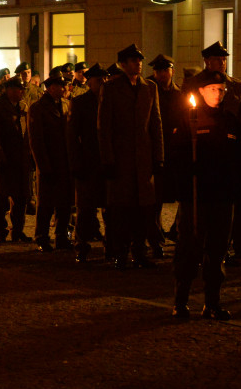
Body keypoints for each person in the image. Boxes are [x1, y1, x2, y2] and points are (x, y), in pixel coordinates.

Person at [171, 70, 241, 320]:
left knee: (217, 251)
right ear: (201, 92)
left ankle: (211, 302)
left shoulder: (230, 120)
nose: (218, 93)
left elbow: (239, 158)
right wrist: (187, 172)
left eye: (221, 89)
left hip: (222, 197)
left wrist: (237, 187)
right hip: (197, 197)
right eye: (213, 89)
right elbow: (178, 157)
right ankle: (180, 301)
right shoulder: (188, 120)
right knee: (189, 249)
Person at [98, 43, 164, 269]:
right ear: (123, 64)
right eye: (134, 60)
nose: (138, 63)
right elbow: (104, 127)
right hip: (121, 159)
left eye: (139, 60)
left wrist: (158, 156)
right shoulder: (112, 87)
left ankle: (140, 251)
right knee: (121, 211)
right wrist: (107, 159)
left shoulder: (149, 88)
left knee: (143, 210)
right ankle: (120, 252)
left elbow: (156, 124)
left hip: (143, 160)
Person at [67, 63, 108, 262]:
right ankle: (81, 245)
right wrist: (76, 164)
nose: (102, 83)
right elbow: (72, 137)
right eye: (99, 80)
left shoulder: (111, 103)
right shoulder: (80, 102)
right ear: (90, 82)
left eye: (104, 80)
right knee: (85, 208)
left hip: (107, 162)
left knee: (111, 208)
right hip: (87, 163)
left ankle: (112, 245)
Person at [28, 75, 73, 252]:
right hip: (48, 161)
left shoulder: (66, 105)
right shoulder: (37, 108)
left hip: (65, 161)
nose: (64, 89)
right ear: (50, 87)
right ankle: (42, 236)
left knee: (65, 202)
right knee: (45, 203)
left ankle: (62, 235)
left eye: (64, 86)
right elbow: (36, 140)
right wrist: (43, 164)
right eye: (60, 86)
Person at [0, 77, 31, 243]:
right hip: (4, 158)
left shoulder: (22, 107)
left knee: (21, 197)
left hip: (21, 158)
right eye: (19, 89)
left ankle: (18, 230)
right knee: (1, 197)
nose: (22, 92)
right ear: (9, 90)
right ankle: (1, 230)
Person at [147, 53, 181, 255]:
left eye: (165, 71)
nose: (162, 74)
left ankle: (176, 231)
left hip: (175, 151)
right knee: (155, 199)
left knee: (179, 195)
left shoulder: (178, 93)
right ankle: (155, 237)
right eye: (159, 71)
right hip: (156, 151)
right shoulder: (149, 92)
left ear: (171, 72)